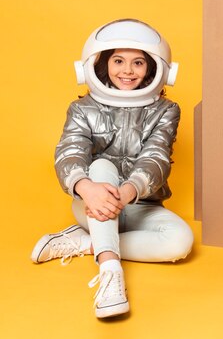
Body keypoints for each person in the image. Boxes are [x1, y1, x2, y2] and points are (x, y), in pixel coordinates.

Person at [31, 18, 194, 319]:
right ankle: (110, 270)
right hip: (91, 204)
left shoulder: (166, 110)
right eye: (118, 60)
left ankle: (85, 242)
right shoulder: (81, 109)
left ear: (157, 70)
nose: (128, 71)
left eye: (138, 63)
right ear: (101, 64)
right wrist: (88, 188)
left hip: (139, 205)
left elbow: (156, 157)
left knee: (181, 241)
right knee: (102, 164)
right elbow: (70, 151)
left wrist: (127, 191)